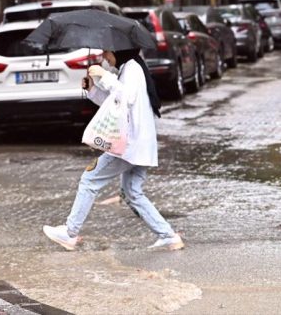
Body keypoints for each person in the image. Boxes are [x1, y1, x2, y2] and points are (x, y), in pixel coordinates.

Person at [43, 49, 184, 251]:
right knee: (131, 192)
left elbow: (127, 96)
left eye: (107, 52)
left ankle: (69, 232)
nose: (105, 57)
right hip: (138, 144)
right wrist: (92, 89)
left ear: (119, 49)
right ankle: (168, 236)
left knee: (89, 179)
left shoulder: (133, 68)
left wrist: (104, 76)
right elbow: (115, 102)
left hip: (130, 145)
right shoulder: (128, 68)